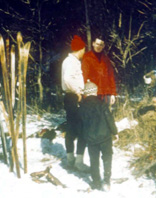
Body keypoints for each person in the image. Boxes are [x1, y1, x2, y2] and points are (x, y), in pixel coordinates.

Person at [79, 80, 118, 191]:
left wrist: (83, 136)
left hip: (91, 139)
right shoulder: (102, 104)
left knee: (94, 160)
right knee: (107, 158)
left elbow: (80, 124)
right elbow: (109, 119)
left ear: (85, 93)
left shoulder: (81, 107)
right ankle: (106, 181)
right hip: (105, 137)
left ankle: (96, 182)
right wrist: (115, 132)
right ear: (95, 92)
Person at [61, 35, 89, 172]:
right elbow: (67, 79)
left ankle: (71, 160)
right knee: (82, 130)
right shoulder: (72, 62)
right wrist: (78, 91)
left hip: (70, 97)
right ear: (80, 49)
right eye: (84, 49)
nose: (84, 52)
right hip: (74, 97)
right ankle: (78, 162)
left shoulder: (69, 61)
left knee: (71, 129)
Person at [82, 33, 117, 105]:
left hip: (105, 94)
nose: (99, 46)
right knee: (94, 115)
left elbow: (111, 76)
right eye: (97, 44)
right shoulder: (87, 57)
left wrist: (112, 93)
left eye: (101, 45)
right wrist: (86, 93)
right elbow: (84, 76)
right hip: (92, 93)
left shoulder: (106, 59)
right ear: (93, 43)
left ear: (103, 46)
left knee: (105, 115)